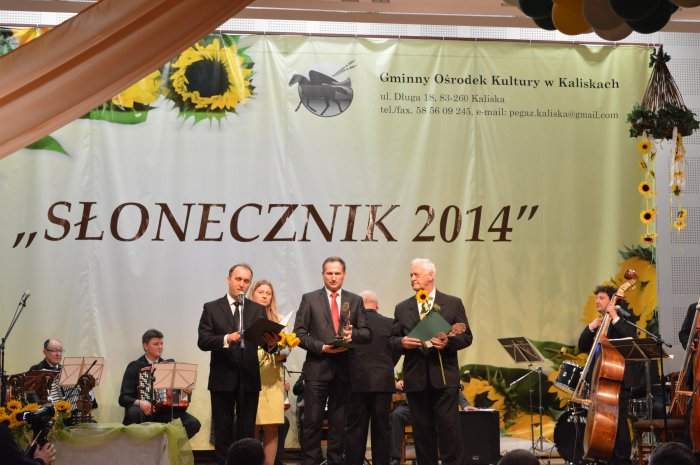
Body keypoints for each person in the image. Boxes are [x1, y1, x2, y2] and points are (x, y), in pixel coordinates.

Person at [391, 258, 473, 465]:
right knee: (422, 434)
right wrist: (402, 342)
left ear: (431, 275)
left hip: (444, 378)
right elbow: (392, 340)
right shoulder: (402, 308)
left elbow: (466, 337)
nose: (412, 278)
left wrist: (447, 343)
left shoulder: (452, 303)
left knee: (449, 432)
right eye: (411, 275)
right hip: (416, 379)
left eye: (416, 274)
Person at [293, 256, 370, 465]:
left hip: (344, 369)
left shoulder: (355, 300)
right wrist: (321, 347)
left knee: (339, 422)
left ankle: (335, 461)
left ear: (344, 275)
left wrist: (353, 335)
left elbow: (366, 333)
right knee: (312, 421)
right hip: (317, 367)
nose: (333, 277)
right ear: (322, 275)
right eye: (329, 273)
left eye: (337, 273)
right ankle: (311, 461)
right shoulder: (310, 299)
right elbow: (299, 333)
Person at [198, 263, 278, 465]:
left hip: (249, 379)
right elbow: (203, 341)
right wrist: (227, 338)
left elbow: (264, 344)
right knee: (223, 430)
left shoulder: (257, 309)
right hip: (222, 378)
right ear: (228, 279)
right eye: (238, 279)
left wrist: (271, 343)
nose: (242, 284)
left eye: (246, 281)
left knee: (246, 432)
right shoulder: (212, 308)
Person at [578, 285, 639, 465]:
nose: (597, 301)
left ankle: (622, 459)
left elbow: (631, 337)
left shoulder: (622, 319)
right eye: (596, 298)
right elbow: (582, 346)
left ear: (612, 300)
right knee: (603, 421)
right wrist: (591, 327)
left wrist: (614, 317)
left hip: (617, 380)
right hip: (600, 381)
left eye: (601, 298)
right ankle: (602, 453)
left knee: (618, 421)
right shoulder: (600, 324)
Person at [346, 290, 398, 465]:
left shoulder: (351, 326)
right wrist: (387, 365)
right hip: (382, 383)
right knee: (382, 430)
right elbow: (397, 348)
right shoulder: (390, 323)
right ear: (378, 306)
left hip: (357, 383)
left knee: (355, 430)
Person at [118, 328, 201, 438]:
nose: (160, 347)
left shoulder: (170, 367)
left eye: (161, 344)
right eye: (156, 344)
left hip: (164, 412)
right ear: (145, 346)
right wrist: (140, 402)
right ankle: (142, 447)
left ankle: (168, 445)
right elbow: (123, 398)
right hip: (143, 412)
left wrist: (184, 394)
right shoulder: (135, 366)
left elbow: (179, 405)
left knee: (193, 424)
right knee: (134, 412)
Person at [251, 280, 289, 465]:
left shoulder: (279, 319)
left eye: (268, 293)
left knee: (271, 427)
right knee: (252, 425)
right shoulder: (245, 317)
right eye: (261, 292)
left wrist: (278, 346)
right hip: (251, 375)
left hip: (272, 377)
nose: (265, 295)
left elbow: (287, 351)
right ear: (253, 294)